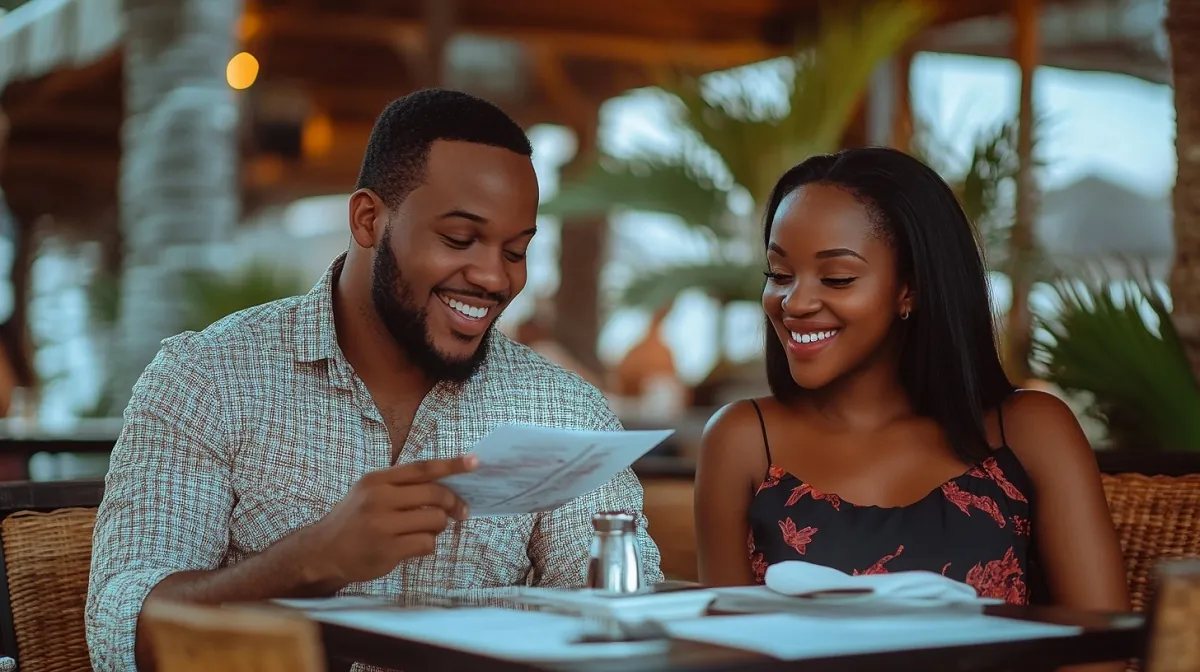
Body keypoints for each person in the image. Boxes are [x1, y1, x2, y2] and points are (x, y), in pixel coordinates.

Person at [86, 88, 663, 671]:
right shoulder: (209, 378)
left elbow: (627, 621)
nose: (493, 277)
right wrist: (310, 560)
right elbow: (120, 632)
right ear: (368, 220)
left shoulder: (560, 409)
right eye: (459, 239)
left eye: (515, 251)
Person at [694, 148, 1128, 614]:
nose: (795, 302)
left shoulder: (1029, 431)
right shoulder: (742, 441)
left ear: (911, 287)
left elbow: (1102, 645)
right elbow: (724, 646)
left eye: (837, 278)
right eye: (779, 274)